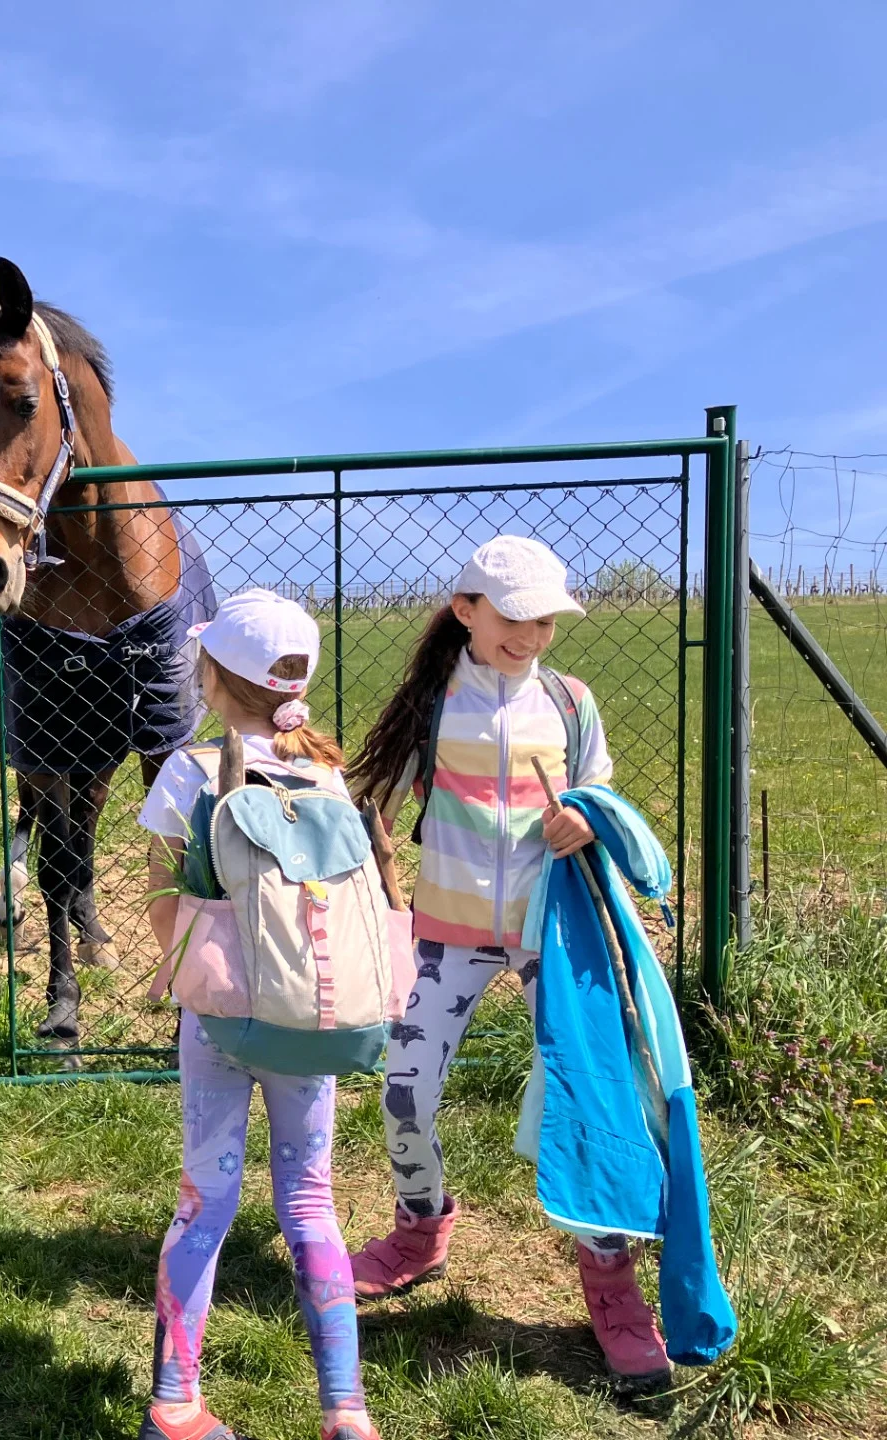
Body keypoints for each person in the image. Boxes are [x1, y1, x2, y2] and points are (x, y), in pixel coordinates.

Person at [342, 536, 671, 1388]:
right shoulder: (432, 703)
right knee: (404, 1093)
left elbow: (601, 790)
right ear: (466, 611)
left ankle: (613, 1284)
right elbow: (369, 802)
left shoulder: (569, 702)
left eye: (547, 621)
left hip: (551, 938)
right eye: (514, 619)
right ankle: (420, 1230)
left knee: (590, 1100)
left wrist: (588, 818)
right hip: (446, 936)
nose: (531, 636)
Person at [137, 589, 380, 1440]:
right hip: (311, 1021)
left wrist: (193, 976)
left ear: (212, 679)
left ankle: (175, 1403)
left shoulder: (189, 770)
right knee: (310, 1202)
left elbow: (162, 897)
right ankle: (345, 1408)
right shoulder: (329, 776)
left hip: (219, 1023)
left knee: (205, 1202)